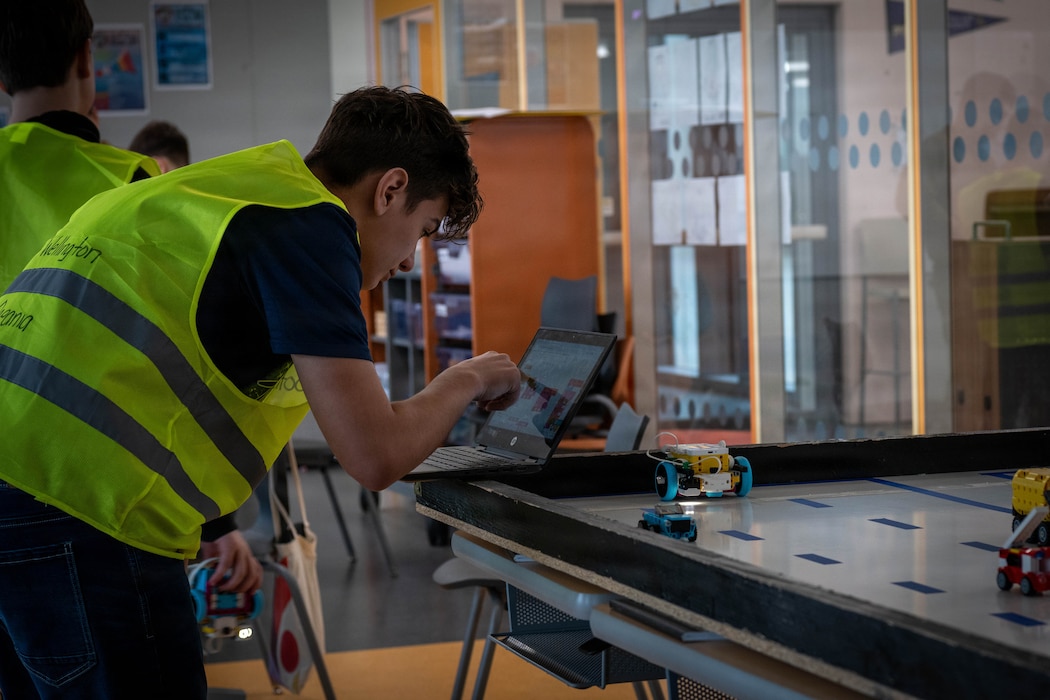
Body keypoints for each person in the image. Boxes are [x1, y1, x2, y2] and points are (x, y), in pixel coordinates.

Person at [0, 71, 520, 700]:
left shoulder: (235, 190)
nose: (410, 259)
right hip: (78, 513)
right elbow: (374, 453)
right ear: (390, 190)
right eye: (424, 229)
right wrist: (465, 378)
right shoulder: (309, 224)